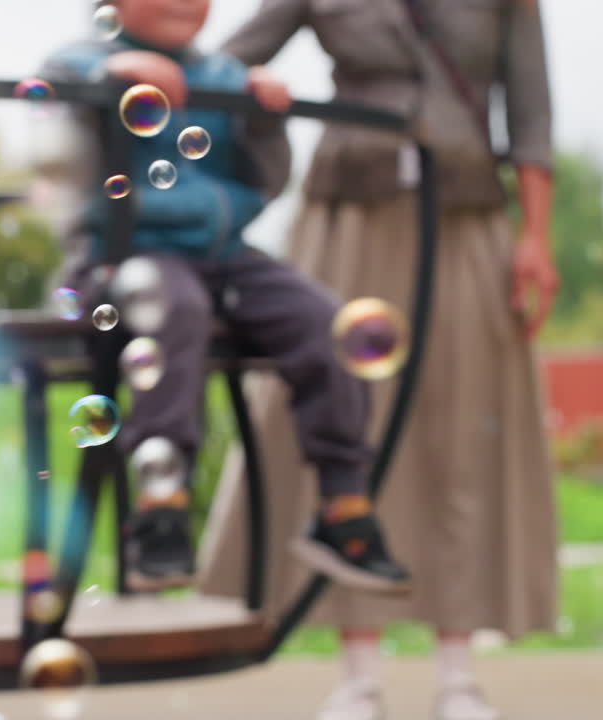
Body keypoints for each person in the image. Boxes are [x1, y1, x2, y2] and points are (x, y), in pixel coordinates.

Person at [196, 1, 560, 719]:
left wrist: (537, 239)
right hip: (349, 211)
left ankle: (458, 673)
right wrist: (257, 92)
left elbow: (531, 110)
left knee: (465, 433)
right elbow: (221, 63)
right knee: (347, 427)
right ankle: (358, 675)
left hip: (466, 212)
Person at [38, 0, 410, 595]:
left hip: (223, 255)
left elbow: (266, 179)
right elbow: (57, 94)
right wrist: (112, 75)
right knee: (175, 308)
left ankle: (343, 505)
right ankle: (161, 508)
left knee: (327, 323)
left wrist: (264, 119)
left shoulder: (223, 77)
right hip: (122, 257)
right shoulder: (81, 60)